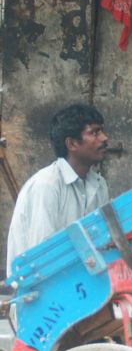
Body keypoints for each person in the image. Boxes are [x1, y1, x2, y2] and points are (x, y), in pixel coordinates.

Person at [6, 104, 109, 275]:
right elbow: (41, 256)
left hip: (80, 281)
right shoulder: (46, 185)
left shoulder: (99, 184)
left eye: (102, 131)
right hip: (40, 285)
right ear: (72, 143)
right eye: (94, 132)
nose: (104, 138)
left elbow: (102, 241)